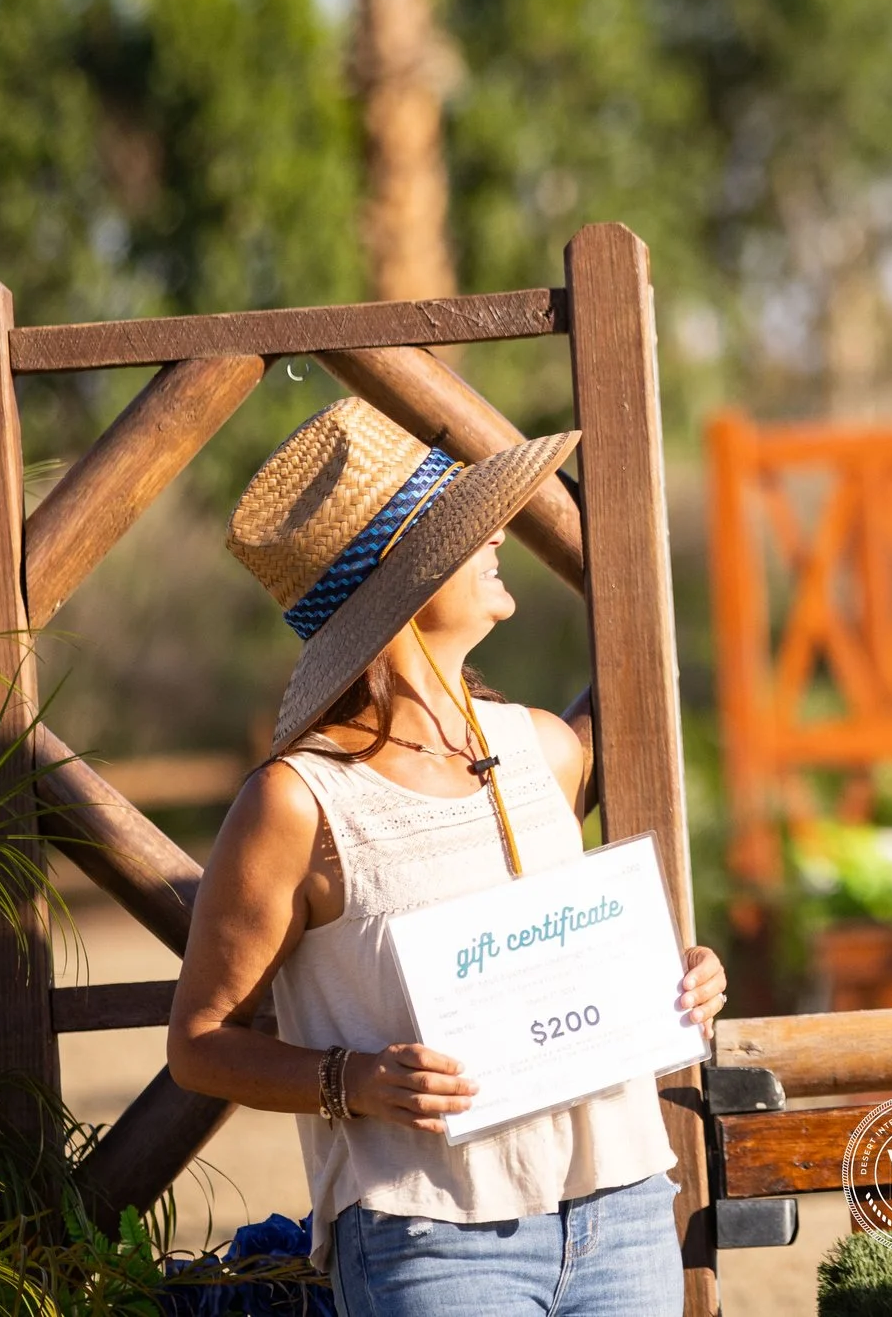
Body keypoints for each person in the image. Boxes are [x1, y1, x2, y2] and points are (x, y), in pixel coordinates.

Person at [169, 397, 726, 1317]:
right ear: (403, 584)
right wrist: (350, 1081)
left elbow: (570, 953)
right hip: (430, 1239)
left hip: (623, 1212)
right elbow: (199, 1045)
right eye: (470, 532)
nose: (498, 537)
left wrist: (679, 981)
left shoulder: (543, 747)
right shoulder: (298, 803)